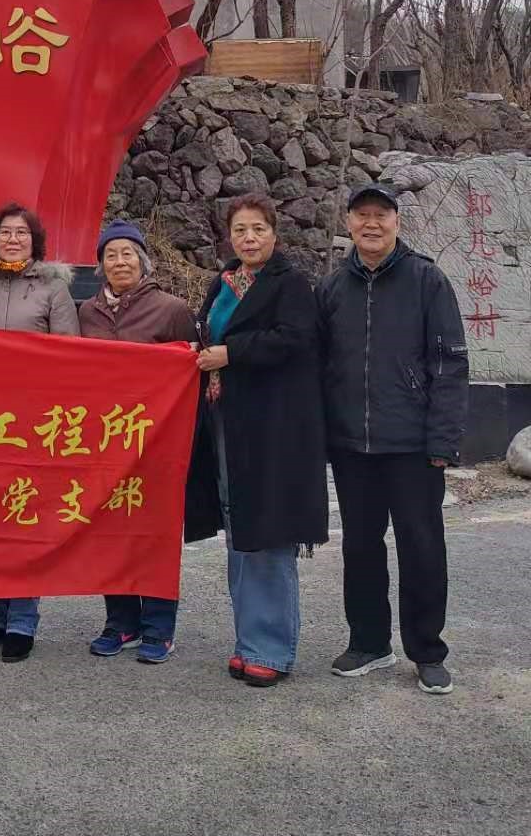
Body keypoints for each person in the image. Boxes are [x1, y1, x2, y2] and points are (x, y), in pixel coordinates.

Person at [317, 183, 468, 696]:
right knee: (360, 547)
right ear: (349, 224)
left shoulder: (427, 280)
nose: (371, 223)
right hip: (351, 446)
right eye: (361, 215)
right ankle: (368, 642)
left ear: (396, 222)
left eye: (381, 215)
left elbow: (450, 364)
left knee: (422, 549)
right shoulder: (332, 288)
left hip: (412, 446)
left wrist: (443, 441)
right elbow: (320, 366)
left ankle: (427, 651)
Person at [187, 194, 328, 688]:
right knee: (241, 529)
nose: (249, 239)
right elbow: (209, 336)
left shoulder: (290, 284)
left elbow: (296, 340)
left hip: (273, 429)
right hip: (228, 422)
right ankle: (249, 641)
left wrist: (231, 353)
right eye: (240, 230)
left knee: (268, 531)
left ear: (274, 233)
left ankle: (271, 647)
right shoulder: (224, 282)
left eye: (258, 229)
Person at [0, 202, 79, 663]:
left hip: (33, 420)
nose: (13, 239)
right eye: (5, 232)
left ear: (35, 241)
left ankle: (23, 620)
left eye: (21, 233)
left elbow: (69, 356)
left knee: (24, 514)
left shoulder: (53, 290)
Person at [78, 220, 195, 665]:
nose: (120, 262)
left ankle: (159, 627)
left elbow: (190, 373)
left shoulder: (171, 310)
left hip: (157, 443)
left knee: (154, 533)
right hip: (106, 442)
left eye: (128, 253)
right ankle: (120, 621)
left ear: (143, 261)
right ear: (101, 265)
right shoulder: (87, 313)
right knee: (110, 531)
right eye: (111, 255)